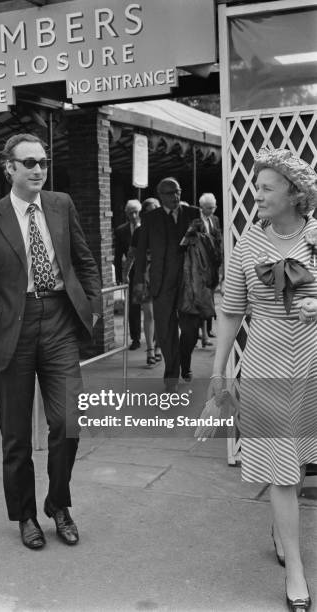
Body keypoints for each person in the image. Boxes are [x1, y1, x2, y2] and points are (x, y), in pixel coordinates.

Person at [0, 133, 101, 550]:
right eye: (29, 162)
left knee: (67, 422)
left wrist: (92, 306)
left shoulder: (61, 205)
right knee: (16, 434)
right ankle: (24, 514)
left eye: (42, 161)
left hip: (59, 319)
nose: (38, 169)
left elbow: (84, 259)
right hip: (13, 329)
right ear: (10, 168)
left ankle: (58, 505)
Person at [206, 148, 316, 612]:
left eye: (267, 187)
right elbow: (231, 312)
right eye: (258, 186)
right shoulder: (249, 244)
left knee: (298, 462)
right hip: (265, 368)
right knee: (282, 469)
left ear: (295, 194)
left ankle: (280, 529)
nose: (258, 194)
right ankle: (295, 569)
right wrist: (218, 373)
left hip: (312, 365)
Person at [134, 177, 201, 391]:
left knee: (190, 329)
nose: (175, 197)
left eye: (178, 191)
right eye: (170, 193)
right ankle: (171, 376)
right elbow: (141, 253)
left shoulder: (192, 213)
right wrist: (138, 282)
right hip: (160, 284)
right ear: (161, 195)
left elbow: (204, 243)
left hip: (187, 282)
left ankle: (184, 361)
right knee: (166, 331)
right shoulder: (150, 218)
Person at [129, 197, 162, 366]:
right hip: (143, 276)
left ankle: (158, 347)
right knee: (149, 314)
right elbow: (131, 255)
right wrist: (125, 273)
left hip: (161, 276)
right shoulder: (139, 232)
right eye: (150, 211)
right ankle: (150, 350)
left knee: (159, 314)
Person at [114, 199, 142, 350]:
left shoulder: (146, 227)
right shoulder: (121, 230)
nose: (133, 215)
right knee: (133, 307)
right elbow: (118, 254)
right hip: (132, 273)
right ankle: (136, 338)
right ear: (126, 214)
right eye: (130, 212)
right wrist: (119, 276)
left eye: (136, 212)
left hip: (148, 270)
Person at [198, 192, 222, 346]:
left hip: (213, 264)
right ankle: (203, 332)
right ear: (202, 207)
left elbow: (218, 239)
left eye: (213, 208)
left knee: (211, 298)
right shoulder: (197, 220)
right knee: (203, 298)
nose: (212, 211)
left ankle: (209, 328)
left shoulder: (215, 219)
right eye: (208, 208)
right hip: (200, 264)